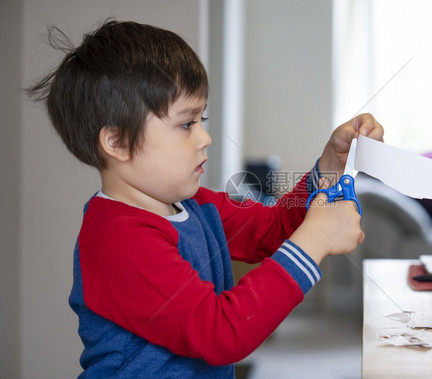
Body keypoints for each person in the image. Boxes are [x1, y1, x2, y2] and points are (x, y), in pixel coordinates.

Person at [27, 19, 384, 378]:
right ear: (117, 142)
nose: (205, 138)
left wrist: (329, 165)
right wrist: (316, 240)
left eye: (202, 119)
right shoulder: (117, 238)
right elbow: (221, 333)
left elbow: (272, 227)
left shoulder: (196, 206)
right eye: (186, 124)